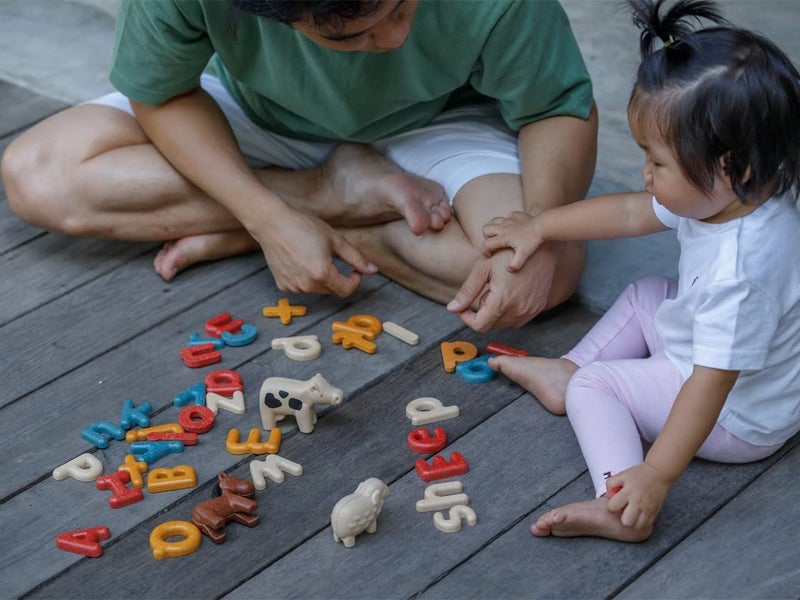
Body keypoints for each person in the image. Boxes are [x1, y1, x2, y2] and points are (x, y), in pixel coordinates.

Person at [0, 0, 597, 332]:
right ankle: (322, 195)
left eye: (403, 4)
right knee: (38, 175)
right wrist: (264, 216)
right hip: (251, 110)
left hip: (439, 121)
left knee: (543, 269)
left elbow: (558, 108)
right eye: (357, 35)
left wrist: (538, 229)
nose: (396, 37)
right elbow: (162, 94)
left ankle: (262, 223)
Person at [482, 0, 800, 541]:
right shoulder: (734, 194)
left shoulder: (740, 274)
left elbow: (710, 384)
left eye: (656, 161)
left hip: (738, 417)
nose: (644, 174)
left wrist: (656, 473)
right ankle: (567, 372)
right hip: (727, 367)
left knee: (598, 386)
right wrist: (541, 227)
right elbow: (630, 211)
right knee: (649, 291)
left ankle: (619, 503)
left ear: (731, 168)